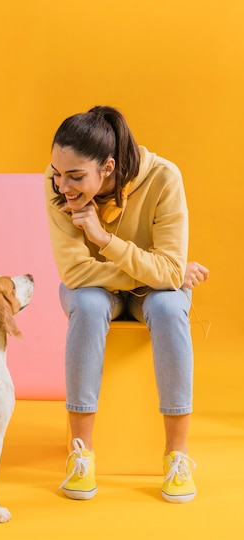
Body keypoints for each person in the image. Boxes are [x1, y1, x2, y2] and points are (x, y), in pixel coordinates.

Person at [44, 105, 209, 503]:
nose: (63, 186)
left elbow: (166, 278)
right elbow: (77, 274)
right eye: (57, 173)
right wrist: (159, 272)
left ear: (109, 166)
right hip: (97, 290)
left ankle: (177, 456)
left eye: (75, 176)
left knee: (170, 308)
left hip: (152, 294)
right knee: (86, 304)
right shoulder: (57, 187)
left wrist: (103, 240)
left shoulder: (164, 178)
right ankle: (80, 453)